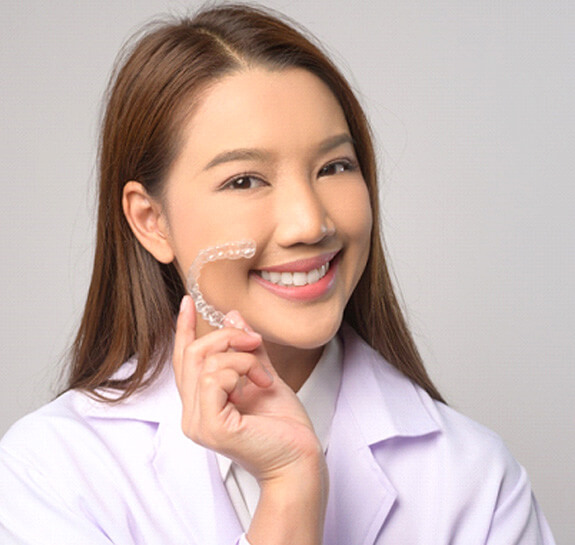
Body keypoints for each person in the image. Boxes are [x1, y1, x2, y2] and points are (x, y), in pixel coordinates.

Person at [0, 4, 556, 544]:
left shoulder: (475, 479)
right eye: (245, 180)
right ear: (152, 221)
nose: (309, 222)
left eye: (335, 166)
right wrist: (291, 489)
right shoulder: (52, 473)